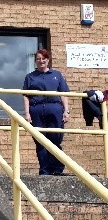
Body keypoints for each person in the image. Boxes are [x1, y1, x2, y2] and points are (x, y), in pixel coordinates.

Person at [23, 48, 70, 176]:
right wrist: (27, 113)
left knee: (55, 140)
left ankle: (57, 169)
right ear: (35, 61)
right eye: (38, 59)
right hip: (36, 110)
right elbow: (26, 96)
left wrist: (66, 111)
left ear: (48, 60)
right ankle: (45, 171)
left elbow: (63, 93)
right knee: (40, 141)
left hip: (54, 109)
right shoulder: (30, 77)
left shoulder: (57, 75)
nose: (41, 61)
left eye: (43, 59)